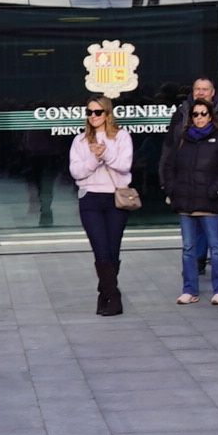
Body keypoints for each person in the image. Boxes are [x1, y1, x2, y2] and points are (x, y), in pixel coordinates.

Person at [159, 83, 218, 307]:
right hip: (185, 201)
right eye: (195, 114)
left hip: (210, 201)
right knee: (188, 248)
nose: (199, 117)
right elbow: (169, 166)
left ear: (210, 115)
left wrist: (215, 190)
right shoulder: (183, 139)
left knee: (216, 247)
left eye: (203, 113)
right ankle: (189, 289)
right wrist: (171, 189)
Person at [68, 97, 139, 311]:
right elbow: (76, 172)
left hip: (115, 198)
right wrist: (94, 158)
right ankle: (113, 296)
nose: (93, 116)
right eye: (89, 112)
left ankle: (104, 294)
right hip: (90, 198)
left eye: (98, 112)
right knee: (100, 249)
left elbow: (124, 166)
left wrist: (104, 153)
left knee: (112, 249)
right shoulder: (79, 141)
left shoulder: (121, 137)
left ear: (107, 114)